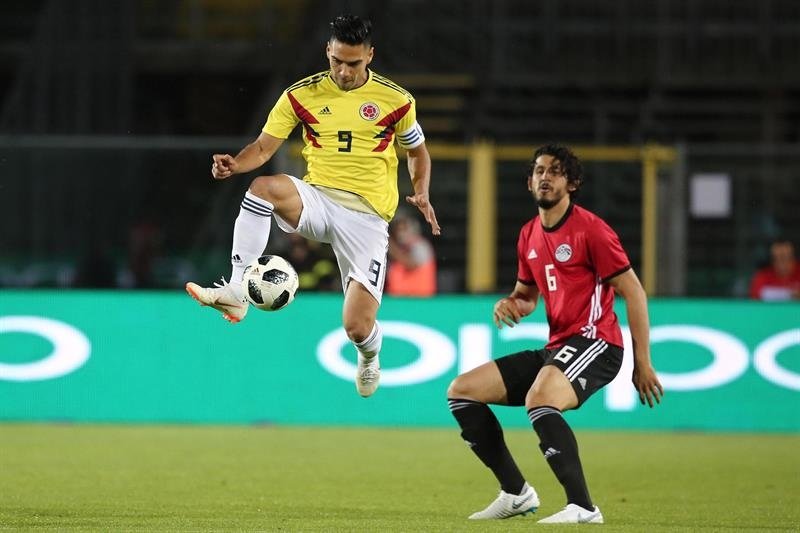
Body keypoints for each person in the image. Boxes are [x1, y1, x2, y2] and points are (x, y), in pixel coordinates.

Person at [185, 15, 440, 398]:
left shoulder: (397, 100)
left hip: (367, 219)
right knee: (262, 188)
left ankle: (369, 358)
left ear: (370, 56)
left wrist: (421, 190)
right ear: (328, 51)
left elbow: (417, 152)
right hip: (317, 199)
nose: (344, 71)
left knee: (356, 326)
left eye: (353, 63)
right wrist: (236, 164)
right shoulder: (300, 95)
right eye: (337, 60)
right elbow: (263, 147)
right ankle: (238, 291)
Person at [446, 144, 663, 524]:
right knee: (462, 391)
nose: (545, 177)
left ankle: (583, 507)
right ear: (529, 181)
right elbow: (527, 297)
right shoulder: (529, 234)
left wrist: (641, 361)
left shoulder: (591, 230)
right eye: (539, 171)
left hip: (597, 343)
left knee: (540, 398)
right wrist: (511, 303)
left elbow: (635, 293)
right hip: (559, 346)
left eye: (555, 171)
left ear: (572, 183)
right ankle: (516, 493)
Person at [386, 210, 437, 296]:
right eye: (398, 229)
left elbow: (411, 263)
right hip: (398, 300)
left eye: (404, 229)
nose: (400, 233)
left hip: (419, 301)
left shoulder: (421, 246)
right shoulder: (400, 249)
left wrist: (387, 242)